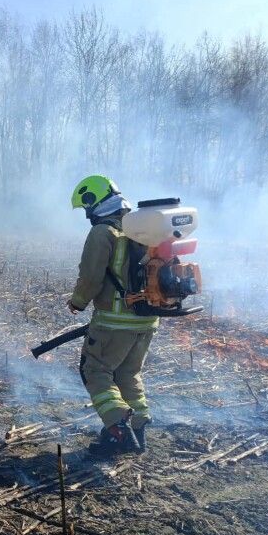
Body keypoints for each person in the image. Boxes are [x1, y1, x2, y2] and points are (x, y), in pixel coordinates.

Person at [68, 175, 158, 456]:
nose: (87, 215)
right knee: (127, 373)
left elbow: (92, 276)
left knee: (95, 371)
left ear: (95, 202)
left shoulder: (103, 232)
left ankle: (118, 430)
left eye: (86, 208)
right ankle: (138, 429)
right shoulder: (142, 229)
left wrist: (78, 302)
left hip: (114, 322)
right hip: (147, 319)